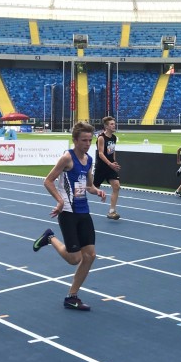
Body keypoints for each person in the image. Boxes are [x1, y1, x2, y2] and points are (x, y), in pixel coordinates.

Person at [33, 121, 107, 310]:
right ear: (75, 140)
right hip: (68, 213)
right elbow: (48, 181)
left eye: (89, 140)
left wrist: (97, 191)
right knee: (74, 259)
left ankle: (72, 296)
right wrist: (59, 201)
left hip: (84, 212)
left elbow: (89, 186)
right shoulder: (67, 158)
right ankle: (50, 238)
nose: (87, 144)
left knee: (90, 255)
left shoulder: (89, 160)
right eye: (84, 140)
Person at [94, 116, 122, 219]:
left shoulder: (114, 137)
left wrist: (114, 162)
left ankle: (112, 211)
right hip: (101, 167)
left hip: (110, 167)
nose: (114, 125)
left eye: (114, 124)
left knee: (116, 186)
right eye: (111, 124)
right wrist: (110, 164)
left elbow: (112, 151)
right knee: (92, 188)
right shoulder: (101, 138)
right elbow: (101, 154)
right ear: (106, 126)